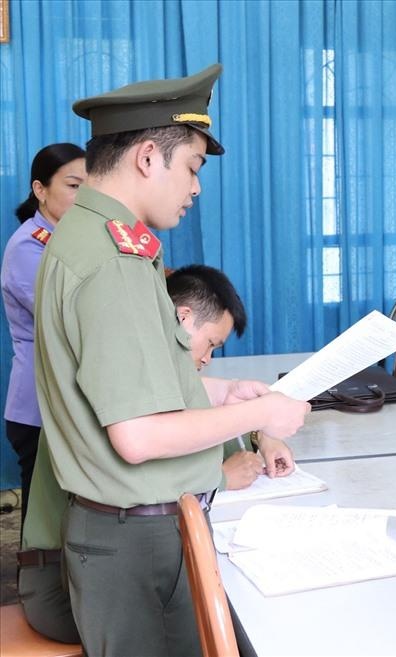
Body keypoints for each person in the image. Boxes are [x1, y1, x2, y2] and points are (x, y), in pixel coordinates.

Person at [31, 64, 311, 656]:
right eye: (192, 167)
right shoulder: (112, 261)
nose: (196, 188)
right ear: (147, 157)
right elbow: (136, 434)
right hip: (135, 540)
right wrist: (261, 418)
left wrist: (224, 391)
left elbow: (129, 387)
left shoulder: (102, 241)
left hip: (138, 527)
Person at [1, 143, 85, 523]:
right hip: (38, 408)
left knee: (69, 519)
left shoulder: (73, 240)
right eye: (72, 185)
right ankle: (35, 585)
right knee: (42, 524)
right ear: (40, 189)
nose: (82, 197)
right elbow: (73, 318)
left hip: (67, 400)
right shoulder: (28, 247)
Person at [166, 263, 295, 487]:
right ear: (183, 316)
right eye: (210, 343)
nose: (207, 359)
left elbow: (219, 427)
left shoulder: (179, 376)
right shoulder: (145, 377)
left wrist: (264, 437)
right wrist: (221, 478)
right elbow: (146, 454)